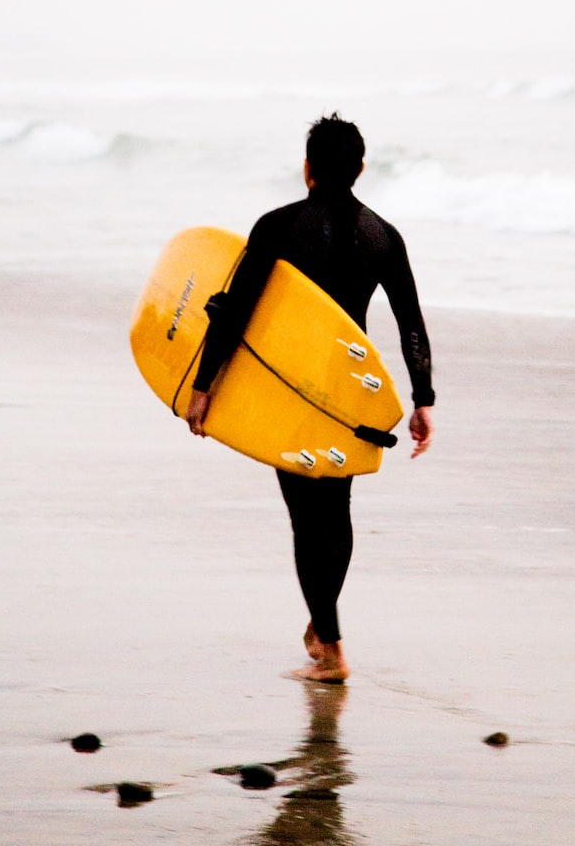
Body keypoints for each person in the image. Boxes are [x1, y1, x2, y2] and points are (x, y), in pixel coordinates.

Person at [185, 113, 435, 683]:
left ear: (307, 168)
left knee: (305, 519)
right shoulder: (384, 237)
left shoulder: (277, 226)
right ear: (361, 169)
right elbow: (410, 324)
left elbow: (234, 308)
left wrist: (203, 386)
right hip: (348, 391)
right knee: (336, 512)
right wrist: (423, 398)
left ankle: (333, 652)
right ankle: (322, 629)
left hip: (290, 389)